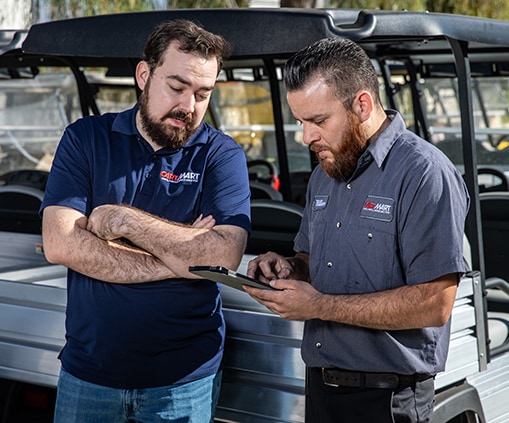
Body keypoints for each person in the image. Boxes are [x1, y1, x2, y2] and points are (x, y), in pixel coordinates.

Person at [244, 37, 469, 423]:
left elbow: (435, 303)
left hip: (387, 399)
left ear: (362, 105)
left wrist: (317, 307)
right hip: (320, 391)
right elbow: (312, 262)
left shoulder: (423, 174)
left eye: (317, 121)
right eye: (300, 122)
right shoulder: (324, 174)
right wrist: (286, 268)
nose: (306, 138)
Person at [40, 19, 250, 423]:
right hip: (89, 374)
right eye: (177, 87)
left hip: (183, 383)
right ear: (143, 75)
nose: (189, 107)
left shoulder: (221, 156)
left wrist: (124, 222)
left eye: (203, 94)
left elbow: (222, 256)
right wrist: (181, 260)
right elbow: (61, 243)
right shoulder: (85, 139)